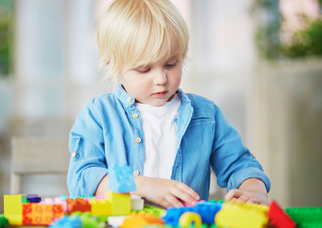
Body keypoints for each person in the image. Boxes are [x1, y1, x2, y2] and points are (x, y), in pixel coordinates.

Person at [67, 0, 270, 209]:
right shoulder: (99, 115)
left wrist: (253, 188)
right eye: (144, 69)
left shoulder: (205, 115)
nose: (161, 79)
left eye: (170, 64)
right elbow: (84, 177)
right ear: (113, 64)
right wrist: (142, 185)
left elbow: (239, 163)